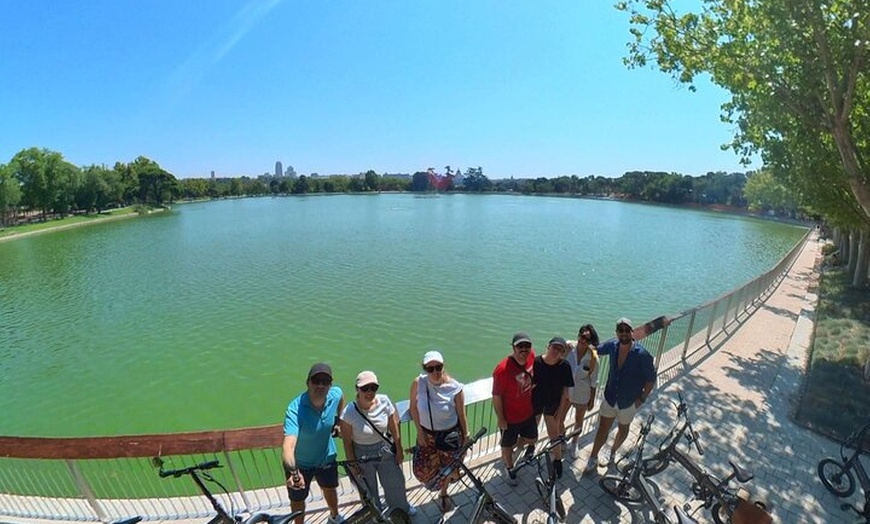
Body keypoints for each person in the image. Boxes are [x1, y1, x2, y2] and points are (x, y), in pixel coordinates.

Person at [584, 318, 657, 474]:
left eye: (626, 330)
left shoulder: (642, 354)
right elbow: (596, 349)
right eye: (620, 330)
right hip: (610, 397)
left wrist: (642, 399)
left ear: (631, 332)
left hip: (629, 402)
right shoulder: (612, 346)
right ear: (616, 332)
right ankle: (593, 457)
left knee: (623, 429)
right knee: (603, 429)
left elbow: (651, 379)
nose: (623, 333)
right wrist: (577, 344)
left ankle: (612, 452)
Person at [339, 371, 416, 517]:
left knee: (395, 483)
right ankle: (375, 516)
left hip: (384, 448)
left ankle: (401, 509)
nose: (369, 392)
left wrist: (399, 449)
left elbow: (394, 426)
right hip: (361, 453)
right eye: (365, 388)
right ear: (357, 389)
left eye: (373, 388)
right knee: (368, 490)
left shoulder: (384, 401)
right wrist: (353, 463)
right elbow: (347, 442)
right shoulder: (349, 412)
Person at [282, 363, 346, 524]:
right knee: (297, 500)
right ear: (308, 382)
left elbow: (341, 397)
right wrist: (294, 473)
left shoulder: (335, 394)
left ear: (330, 384)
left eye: (325, 381)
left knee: (330, 489)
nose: (320, 385)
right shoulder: (295, 409)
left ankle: (334, 515)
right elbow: (288, 446)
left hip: (326, 457)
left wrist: (338, 420)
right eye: (316, 380)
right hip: (300, 465)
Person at [409, 350, 468, 512]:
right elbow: (412, 408)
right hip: (427, 435)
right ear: (424, 369)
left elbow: (461, 414)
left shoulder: (455, 387)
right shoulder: (418, 383)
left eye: (438, 367)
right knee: (421, 469)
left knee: (448, 468)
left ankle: (443, 492)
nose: (434, 372)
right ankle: (436, 486)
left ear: (443, 366)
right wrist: (420, 432)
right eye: (430, 369)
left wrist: (466, 435)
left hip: (449, 435)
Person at [492, 331, 537, 486]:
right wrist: (501, 418)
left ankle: (516, 446)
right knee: (506, 447)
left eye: (527, 346)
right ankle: (509, 468)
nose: (524, 350)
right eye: (520, 346)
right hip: (509, 418)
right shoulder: (502, 369)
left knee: (533, 439)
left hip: (528, 412)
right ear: (513, 347)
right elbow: (496, 396)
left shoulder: (532, 357)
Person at [531, 336, 574, 478]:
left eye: (560, 350)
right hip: (536, 402)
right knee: (533, 428)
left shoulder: (564, 366)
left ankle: (557, 460)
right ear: (548, 347)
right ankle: (531, 447)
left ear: (563, 353)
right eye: (554, 347)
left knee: (554, 434)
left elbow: (565, 392)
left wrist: (561, 411)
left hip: (553, 404)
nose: (556, 351)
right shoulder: (536, 362)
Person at [565, 323, 600, 455]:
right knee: (559, 418)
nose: (583, 340)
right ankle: (561, 441)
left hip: (582, 393)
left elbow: (594, 381)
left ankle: (574, 443)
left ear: (591, 341)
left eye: (587, 339)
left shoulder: (593, 358)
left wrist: (592, 399)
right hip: (567, 391)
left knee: (579, 419)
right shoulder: (569, 349)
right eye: (582, 336)